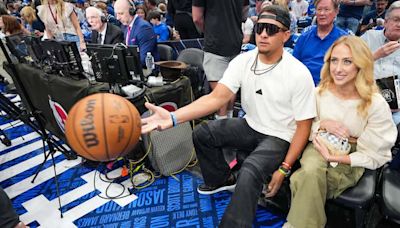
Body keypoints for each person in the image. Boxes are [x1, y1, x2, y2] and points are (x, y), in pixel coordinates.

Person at [142, 5, 316, 227]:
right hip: (251, 125)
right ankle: (222, 179)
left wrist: (284, 168)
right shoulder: (243, 61)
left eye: (272, 30)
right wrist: (173, 117)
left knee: (250, 170)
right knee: (204, 132)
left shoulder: (298, 73)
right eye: (260, 27)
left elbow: (303, 127)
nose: (263, 34)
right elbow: (217, 98)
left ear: (286, 35)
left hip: (280, 135)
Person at [285, 36, 397, 228]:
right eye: (334, 60)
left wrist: (336, 158)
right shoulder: (320, 92)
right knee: (311, 170)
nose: (337, 68)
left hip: (353, 153)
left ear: (360, 65)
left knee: (302, 178)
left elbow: (377, 155)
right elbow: (301, 125)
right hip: (319, 142)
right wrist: (323, 124)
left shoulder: (375, 103)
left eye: (347, 61)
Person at [192, 0, 245, 119]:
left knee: (221, 94)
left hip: (215, 44)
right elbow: (245, 11)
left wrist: (211, 31)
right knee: (230, 90)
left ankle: (222, 130)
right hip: (235, 41)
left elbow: (197, 18)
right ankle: (228, 126)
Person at [361, 1, 400, 124]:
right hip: (366, 101)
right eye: (396, 19)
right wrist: (375, 56)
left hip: (396, 110)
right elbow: (351, 66)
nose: (399, 24)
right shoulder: (368, 37)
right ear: (386, 22)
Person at [293, 0, 347, 85]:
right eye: (319, 9)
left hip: (332, 87)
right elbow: (294, 64)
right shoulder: (304, 37)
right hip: (304, 86)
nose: (322, 13)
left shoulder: (344, 39)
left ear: (336, 12)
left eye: (326, 9)